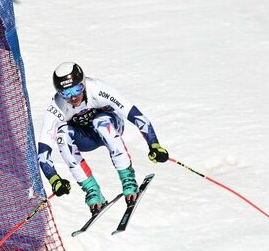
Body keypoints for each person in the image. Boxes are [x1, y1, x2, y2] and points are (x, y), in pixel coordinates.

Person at [37, 62, 170, 215]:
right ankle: (92, 191)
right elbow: (43, 152)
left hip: (111, 125)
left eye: (77, 89)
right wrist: (54, 179)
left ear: (84, 83)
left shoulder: (98, 89)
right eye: (66, 93)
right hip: (86, 138)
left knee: (100, 122)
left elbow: (135, 115)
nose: (73, 97)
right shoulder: (56, 107)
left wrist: (154, 144)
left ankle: (128, 179)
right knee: (62, 135)